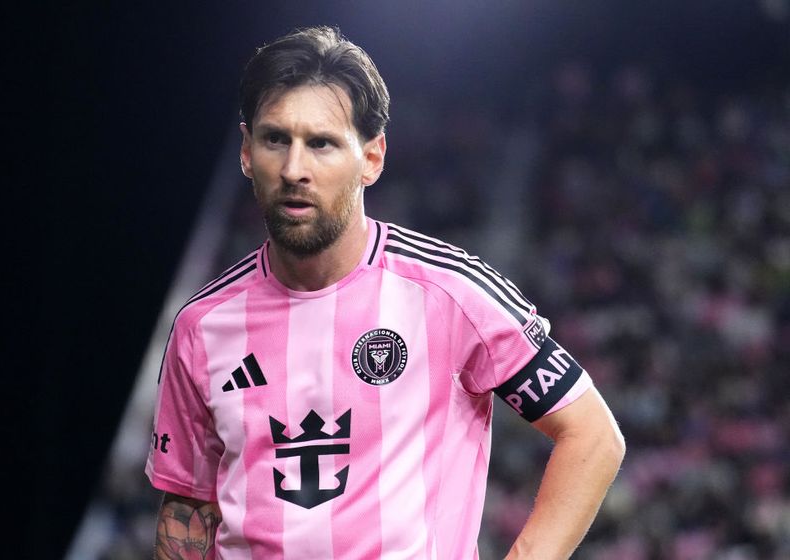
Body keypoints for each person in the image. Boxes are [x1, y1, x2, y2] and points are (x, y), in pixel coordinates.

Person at [146, 25, 625, 560]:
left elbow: (592, 434)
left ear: (371, 158)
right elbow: (187, 507)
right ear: (245, 151)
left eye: (322, 143)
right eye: (275, 138)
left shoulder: (451, 293)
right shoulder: (201, 326)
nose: (294, 169)